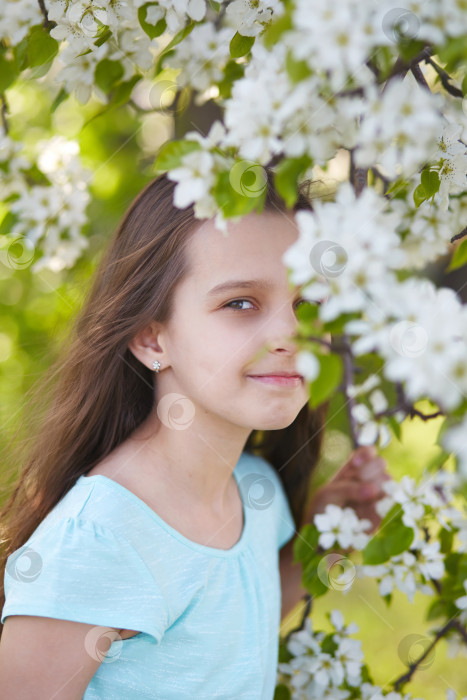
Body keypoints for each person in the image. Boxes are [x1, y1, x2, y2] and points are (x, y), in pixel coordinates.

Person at [0, 170, 389, 699]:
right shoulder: (100, 543)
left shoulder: (255, 491)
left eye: (308, 303)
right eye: (241, 303)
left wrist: (322, 543)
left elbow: (230, 637)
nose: (289, 335)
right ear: (151, 336)